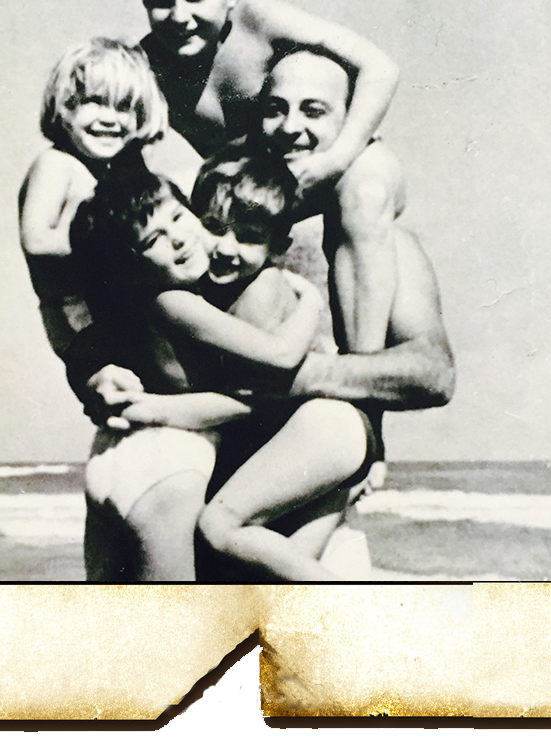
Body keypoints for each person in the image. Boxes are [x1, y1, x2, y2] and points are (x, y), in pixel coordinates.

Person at [83, 147, 380, 581]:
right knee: (274, 589)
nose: (222, 246)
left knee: (219, 529)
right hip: (332, 435)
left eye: (178, 219)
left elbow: (269, 382)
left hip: (323, 431)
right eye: (214, 227)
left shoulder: (232, 294)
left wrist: (159, 409)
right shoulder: (194, 294)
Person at [135, 0, 405, 353]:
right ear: (143, 0)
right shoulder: (145, 66)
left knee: (366, 188)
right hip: (255, 189)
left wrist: (335, 160)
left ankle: (363, 362)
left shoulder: (256, 20)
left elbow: (381, 67)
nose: (179, 16)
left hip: (325, 165)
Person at [18, 38, 211, 581]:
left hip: (100, 324)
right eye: (93, 103)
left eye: (125, 107)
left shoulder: (114, 172)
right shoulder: (57, 165)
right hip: (74, 321)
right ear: (63, 107)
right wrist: (114, 245)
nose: (110, 119)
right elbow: (37, 239)